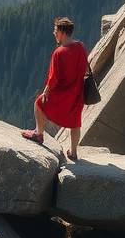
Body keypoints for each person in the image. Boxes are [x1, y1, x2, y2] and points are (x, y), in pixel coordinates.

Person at [21, 17, 88, 161]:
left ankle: (38, 134)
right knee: (75, 122)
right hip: (78, 92)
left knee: (39, 103)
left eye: (56, 31)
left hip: (63, 92)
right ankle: (73, 152)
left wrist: (46, 91)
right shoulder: (80, 47)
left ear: (62, 33)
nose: (54, 33)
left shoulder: (59, 52)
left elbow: (53, 78)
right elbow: (85, 68)